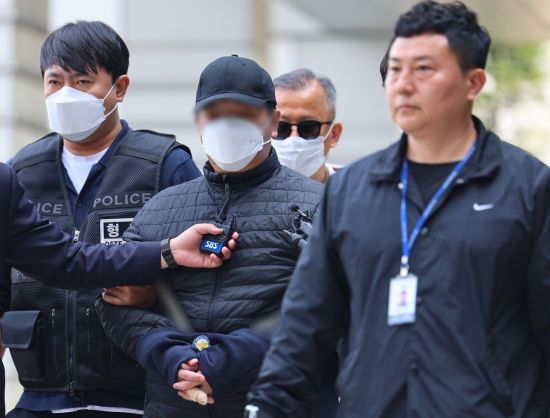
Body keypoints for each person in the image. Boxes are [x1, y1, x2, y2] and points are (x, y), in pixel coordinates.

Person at [245, 1, 550, 417]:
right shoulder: (352, 190)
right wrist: (265, 407)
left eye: (423, 69)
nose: (403, 85)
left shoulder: (528, 189)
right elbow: (305, 324)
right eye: (395, 70)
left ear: (473, 82)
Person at [96, 54, 324, 418]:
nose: (227, 125)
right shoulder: (160, 207)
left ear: (272, 121)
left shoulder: (319, 205)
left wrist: (232, 360)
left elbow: (330, 306)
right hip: (174, 404)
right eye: (214, 114)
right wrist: (169, 355)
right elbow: (115, 303)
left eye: (243, 113)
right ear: (199, 121)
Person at [4, 21, 201, 417]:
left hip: (137, 397)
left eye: (82, 81)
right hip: (41, 397)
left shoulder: (163, 165)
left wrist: (156, 297)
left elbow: (210, 282)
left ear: (119, 88)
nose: (66, 95)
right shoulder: (20, 172)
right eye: (55, 82)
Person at [0, 162, 237, 417]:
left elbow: (65, 259)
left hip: (131, 393)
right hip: (39, 396)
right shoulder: (24, 165)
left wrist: (169, 251)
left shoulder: (3, 181)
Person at [272, 69, 343, 183]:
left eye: (308, 128)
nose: (294, 139)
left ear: (334, 135)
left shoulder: (359, 188)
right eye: (281, 127)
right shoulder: (245, 190)